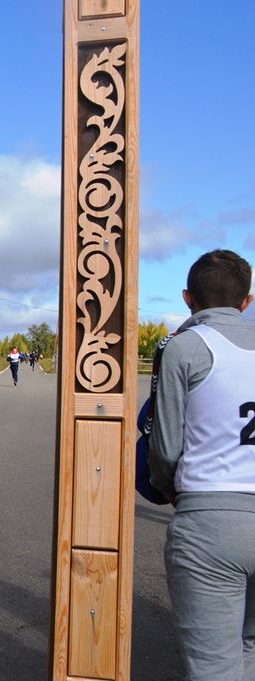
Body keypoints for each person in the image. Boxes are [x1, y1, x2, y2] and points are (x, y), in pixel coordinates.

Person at [148, 249, 255, 680]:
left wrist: (165, 487)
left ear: (187, 298)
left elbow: (166, 445)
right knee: (249, 647)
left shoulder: (185, 347)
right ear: (247, 301)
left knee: (214, 666)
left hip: (212, 519)